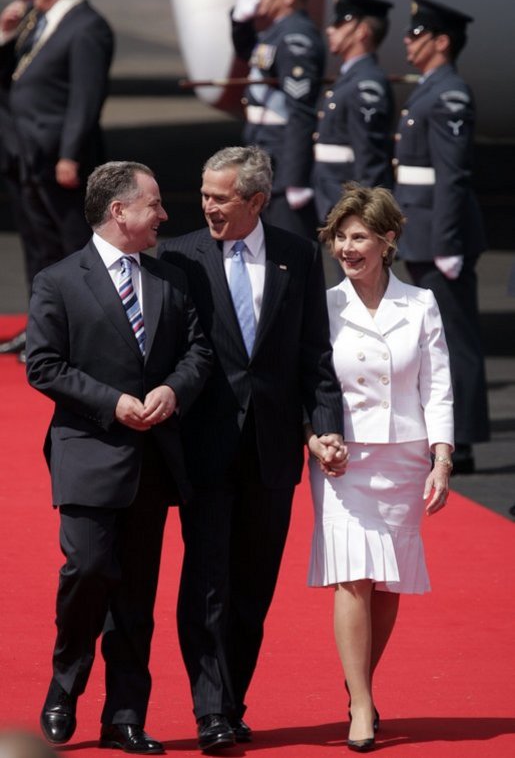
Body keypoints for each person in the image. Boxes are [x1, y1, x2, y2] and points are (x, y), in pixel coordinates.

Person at [159, 145, 346, 751]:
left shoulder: (296, 256)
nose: (207, 206)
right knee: (208, 579)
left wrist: (324, 425)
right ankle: (209, 709)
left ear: (257, 201)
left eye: (221, 197)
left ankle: (233, 700)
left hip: (271, 450)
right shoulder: (180, 256)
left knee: (253, 584)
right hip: (205, 444)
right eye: (205, 195)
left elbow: (315, 355)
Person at [25, 161, 212, 753]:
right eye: (153, 204)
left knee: (136, 593)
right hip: (88, 451)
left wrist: (172, 389)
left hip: (154, 461)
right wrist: (115, 404)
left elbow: (197, 351)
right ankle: (65, 684)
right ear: (119, 211)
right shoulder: (59, 280)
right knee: (86, 569)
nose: (164, 215)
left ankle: (125, 714)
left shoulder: (168, 280)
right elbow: (43, 365)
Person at [306, 183, 454, 753]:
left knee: (387, 580)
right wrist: (316, 440)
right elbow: (311, 384)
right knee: (352, 574)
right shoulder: (323, 306)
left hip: (405, 455)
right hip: (344, 460)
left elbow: (437, 384)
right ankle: (362, 704)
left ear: (387, 241)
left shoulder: (419, 303)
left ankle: (359, 682)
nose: (346, 247)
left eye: (358, 236)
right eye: (339, 237)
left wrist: (442, 457)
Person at [393, 0, 489, 473]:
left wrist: (448, 242)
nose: (407, 41)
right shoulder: (431, 87)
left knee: (455, 336)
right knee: (437, 336)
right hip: (423, 227)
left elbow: (452, 175)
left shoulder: (450, 92)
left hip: (440, 233)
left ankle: (464, 440)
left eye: (416, 34)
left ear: (442, 41)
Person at [5, 0, 114, 363]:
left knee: (74, 250)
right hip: (32, 156)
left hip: (60, 160)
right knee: (41, 249)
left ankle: (88, 337)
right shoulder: (41, 20)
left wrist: (70, 155)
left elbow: (84, 101)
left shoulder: (87, 26)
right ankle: (47, 332)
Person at [230, 0, 324, 240]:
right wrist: (238, 22)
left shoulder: (297, 38)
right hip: (265, 152)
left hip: (283, 159)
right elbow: (253, 56)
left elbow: (301, 111)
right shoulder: (277, 32)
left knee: (289, 249)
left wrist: (294, 179)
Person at [313, 0, 394, 227]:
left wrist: (368, 217)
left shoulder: (365, 84)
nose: (330, 29)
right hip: (335, 199)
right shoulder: (351, 78)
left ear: (362, 31)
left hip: (351, 206)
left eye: (340, 22)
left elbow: (369, 157)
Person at [0, 0, 35, 358]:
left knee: (53, 245)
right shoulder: (20, 17)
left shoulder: (50, 19)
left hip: (37, 151)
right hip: (16, 152)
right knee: (33, 244)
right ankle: (38, 323)